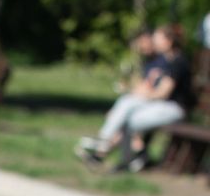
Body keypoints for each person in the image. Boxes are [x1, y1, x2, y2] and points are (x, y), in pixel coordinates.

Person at [76, 24, 193, 172]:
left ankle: (116, 150)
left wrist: (139, 95)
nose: (154, 41)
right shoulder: (165, 61)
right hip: (161, 106)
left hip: (174, 109)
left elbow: (163, 93)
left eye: (158, 38)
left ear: (169, 41)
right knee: (126, 107)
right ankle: (123, 154)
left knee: (129, 117)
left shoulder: (178, 62)